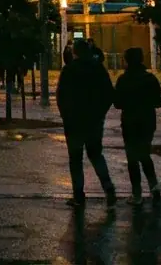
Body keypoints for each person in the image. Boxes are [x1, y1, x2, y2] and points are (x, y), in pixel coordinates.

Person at [57, 38, 117, 207]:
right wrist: (99, 114)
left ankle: (78, 195)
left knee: (75, 159)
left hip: (74, 123)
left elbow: (61, 97)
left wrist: (67, 116)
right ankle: (108, 189)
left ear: (75, 53)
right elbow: (108, 94)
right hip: (93, 122)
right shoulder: (98, 69)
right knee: (96, 155)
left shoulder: (69, 70)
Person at [114, 47, 161, 204]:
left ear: (127, 60)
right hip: (147, 121)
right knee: (144, 153)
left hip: (130, 122)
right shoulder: (150, 79)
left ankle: (137, 194)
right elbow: (159, 101)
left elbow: (117, 103)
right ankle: (154, 185)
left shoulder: (123, 80)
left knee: (132, 158)